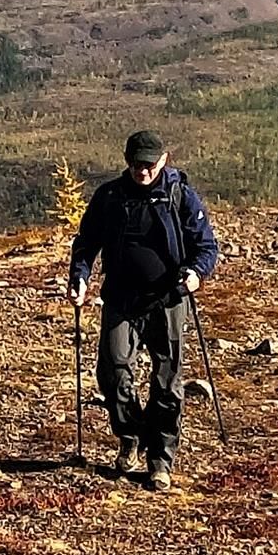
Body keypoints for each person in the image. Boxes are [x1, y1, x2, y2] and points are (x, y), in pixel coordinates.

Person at [67, 130, 220, 491]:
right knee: (113, 371)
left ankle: (160, 458)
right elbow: (87, 243)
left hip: (168, 300)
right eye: (137, 164)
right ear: (127, 161)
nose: (144, 172)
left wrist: (197, 274)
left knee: (167, 382)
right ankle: (131, 434)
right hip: (121, 298)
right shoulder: (110, 197)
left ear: (163, 161)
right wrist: (80, 277)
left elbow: (206, 246)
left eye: (150, 165)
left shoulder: (180, 195)